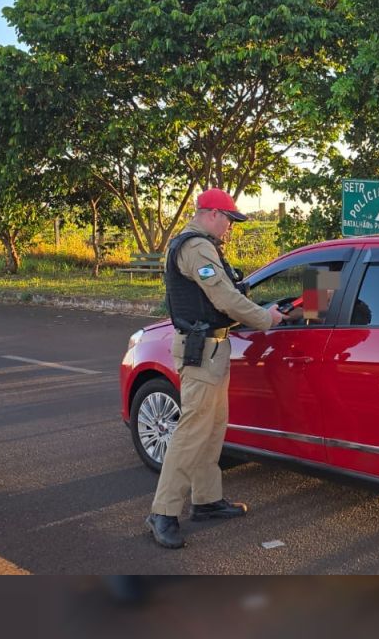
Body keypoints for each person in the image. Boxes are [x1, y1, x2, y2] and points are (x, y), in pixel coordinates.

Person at [146, 187, 284, 549]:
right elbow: (223, 297)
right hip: (202, 349)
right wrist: (265, 318)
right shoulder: (196, 247)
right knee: (192, 431)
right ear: (212, 214)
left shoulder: (201, 244)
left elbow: (228, 293)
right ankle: (163, 512)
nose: (231, 228)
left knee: (211, 428)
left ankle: (206, 500)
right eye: (230, 220)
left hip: (213, 347)